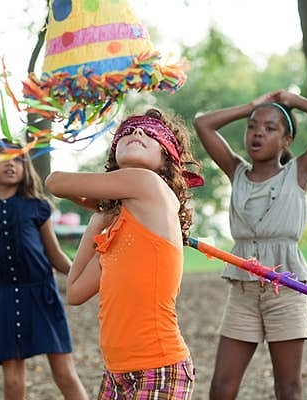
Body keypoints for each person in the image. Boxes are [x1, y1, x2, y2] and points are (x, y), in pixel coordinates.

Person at [193, 89, 307, 400]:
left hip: (287, 291)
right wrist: (252, 105)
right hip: (243, 291)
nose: (257, 132)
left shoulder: (298, 173)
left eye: (270, 127)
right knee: (221, 387)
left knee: (287, 388)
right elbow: (203, 125)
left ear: (286, 140)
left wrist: (295, 101)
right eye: (252, 126)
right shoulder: (236, 172)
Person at [46, 108, 203, 399]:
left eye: (149, 131)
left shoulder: (148, 183)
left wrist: (101, 205)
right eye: (127, 131)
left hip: (159, 369)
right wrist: (100, 217)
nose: (137, 132)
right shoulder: (117, 232)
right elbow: (75, 292)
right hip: (116, 373)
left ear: (168, 158)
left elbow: (55, 182)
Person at [0, 142, 88, 400]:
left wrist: (84, 275)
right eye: (3, 158)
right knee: (12, 382)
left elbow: (55, 255)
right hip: (9, 298)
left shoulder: (37, 206)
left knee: (65, 374)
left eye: (18, 159)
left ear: (25, 169)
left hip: (44, 295)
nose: (11, 163)